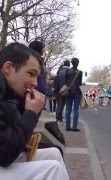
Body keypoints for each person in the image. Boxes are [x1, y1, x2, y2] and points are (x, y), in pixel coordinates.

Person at [0, 43, 69, 179]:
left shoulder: (9, 94)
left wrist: (33, 109)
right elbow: (5, 155)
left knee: (54, 153)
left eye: (37, 76)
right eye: (31, 74)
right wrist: (30, 113)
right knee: (52, 169)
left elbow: (15, 136)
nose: (35, 83)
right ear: (8, 68)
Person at [65, 58, 83, 131]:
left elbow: (65, 82)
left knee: (68, 109)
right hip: (76, 92)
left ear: (71, 63)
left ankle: (67, 127)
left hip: (68, 91)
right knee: (75, 110)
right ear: (78, 63)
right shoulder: (80, 72)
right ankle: (74, 127)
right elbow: (79, 83)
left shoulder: (67, 71)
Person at [29, 40, 47, 110]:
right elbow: (41, 80)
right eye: (42, 49)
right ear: (39, 49)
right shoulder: (37, 61)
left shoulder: (26, 58)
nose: (43, 51)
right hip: (35, 95)